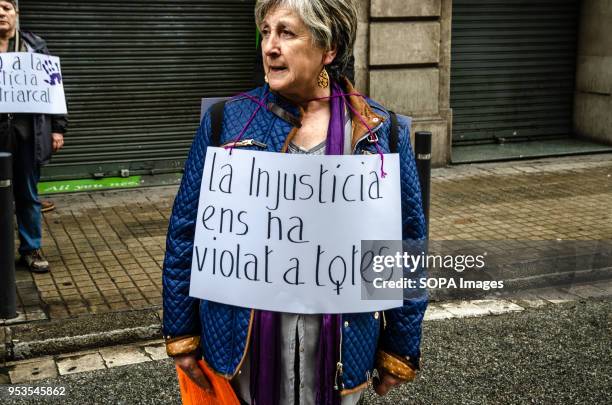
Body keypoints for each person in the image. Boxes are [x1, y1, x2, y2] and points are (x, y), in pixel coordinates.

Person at [163, 1, 427, 404]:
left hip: (339, 344)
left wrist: (400, 347)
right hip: (244, 348)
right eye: (266, 32)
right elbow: (186, 232)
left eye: (286, 33)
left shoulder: (379, 133)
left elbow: (405, 244)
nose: (269, 46)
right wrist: (182, 332)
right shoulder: (226, 121)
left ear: (329, 48)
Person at [0, 0, 67, 273]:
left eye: (6, 7)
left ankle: (30, 248)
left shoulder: (33, 45)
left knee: (27, 194)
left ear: (16, 14)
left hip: (28, 132)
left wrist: (58, 127)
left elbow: (54, 87)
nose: (1, 14)